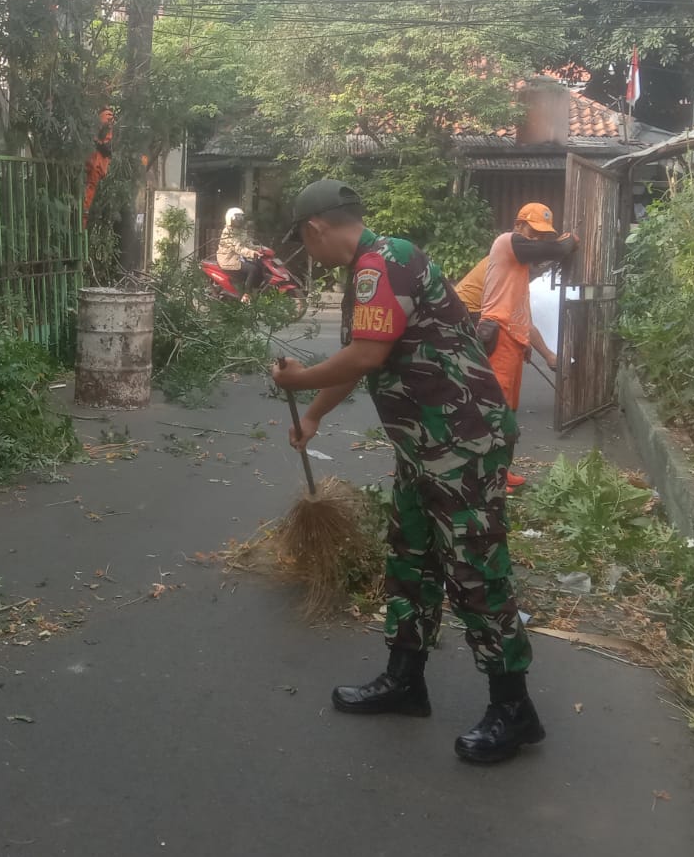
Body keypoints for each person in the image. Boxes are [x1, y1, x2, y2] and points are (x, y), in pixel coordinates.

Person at [270, 180, 542, 765]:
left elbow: (365, 356)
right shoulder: (372, 269)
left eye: (302, 240)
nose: (306, 251)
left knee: (474, 567)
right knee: (411, 557)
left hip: (462, 445)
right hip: (426, 446)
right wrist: (313, 414)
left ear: (314, 229)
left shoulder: (384, 263)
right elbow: (365, 355)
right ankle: (405, 679)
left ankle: (514, 708)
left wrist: (296, 382)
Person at [479, 203, 578, 486]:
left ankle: (501, 472)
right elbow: (555, 251)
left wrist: (538, 348)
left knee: (507, 411)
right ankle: (488, 479)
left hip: (512, 341)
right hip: (498, 337)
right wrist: (569, 242)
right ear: (518, 225)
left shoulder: (519, 270)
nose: (536, 240)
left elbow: (524, 316)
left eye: (542, 235)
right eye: (533, 232)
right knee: (495, 412)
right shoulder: (506, 242)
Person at [215, 206, 268, 301]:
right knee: (253, 269)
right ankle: (246, 295)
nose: (239, 221)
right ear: (230, 219)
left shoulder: (241, 231)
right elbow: (238, 248)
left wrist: (260, 248)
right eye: (237, 219)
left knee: (260, 266)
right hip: (228, 260)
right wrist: (252, 253)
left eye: (241, 219)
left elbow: (247, 244)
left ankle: (254, 291)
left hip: (238, 258)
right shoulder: (227, 233)